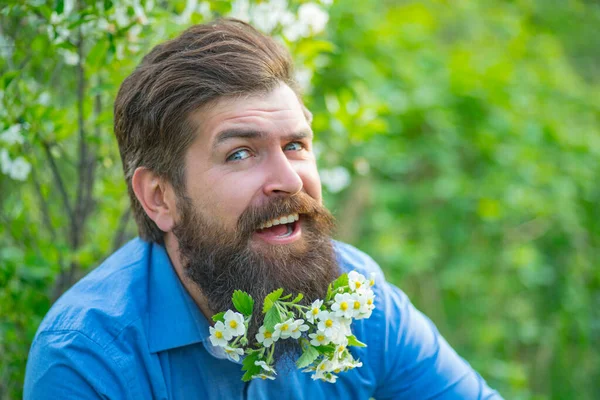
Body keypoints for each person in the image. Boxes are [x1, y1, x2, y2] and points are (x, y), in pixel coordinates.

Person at [24, 18, 502, 399]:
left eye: (295, 145)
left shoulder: (359, 301)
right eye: (240, 153)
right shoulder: (89, 358)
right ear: (160, 197)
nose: (290, 180)